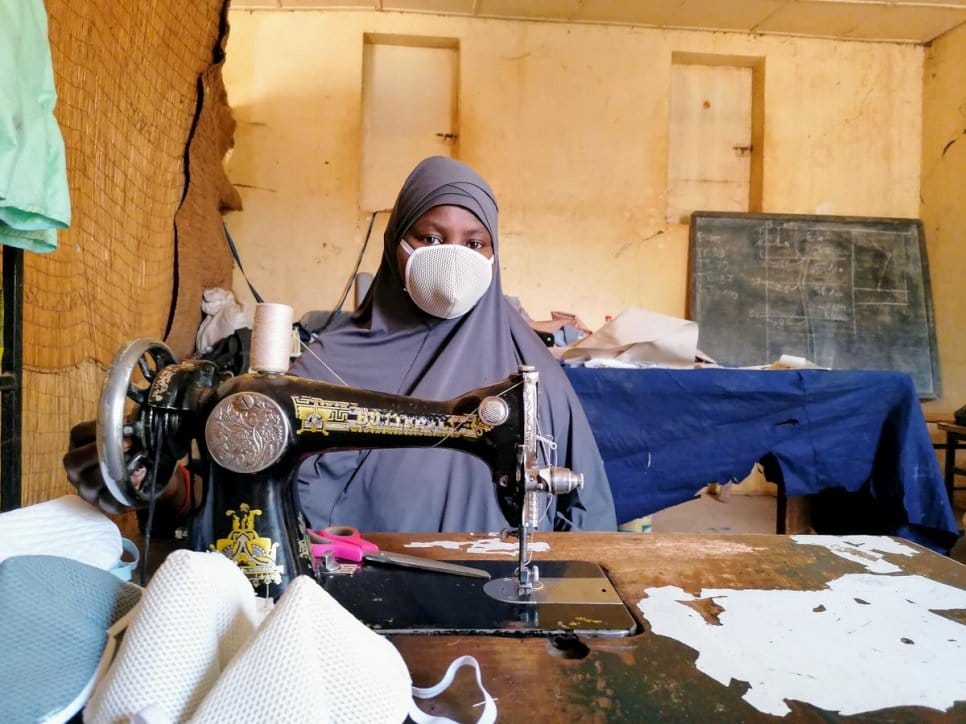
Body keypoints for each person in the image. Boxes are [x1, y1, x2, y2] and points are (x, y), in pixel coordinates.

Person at [64, 156, 617, 533]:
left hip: (488, 614)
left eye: (475, 243)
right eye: (430, 237)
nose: (454, 257)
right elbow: (243, 490)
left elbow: (585, 519)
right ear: (393, 241)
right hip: (339, 606)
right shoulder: (326, 364)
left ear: (495, 256)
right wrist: (156, 482)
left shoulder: (531, 374)